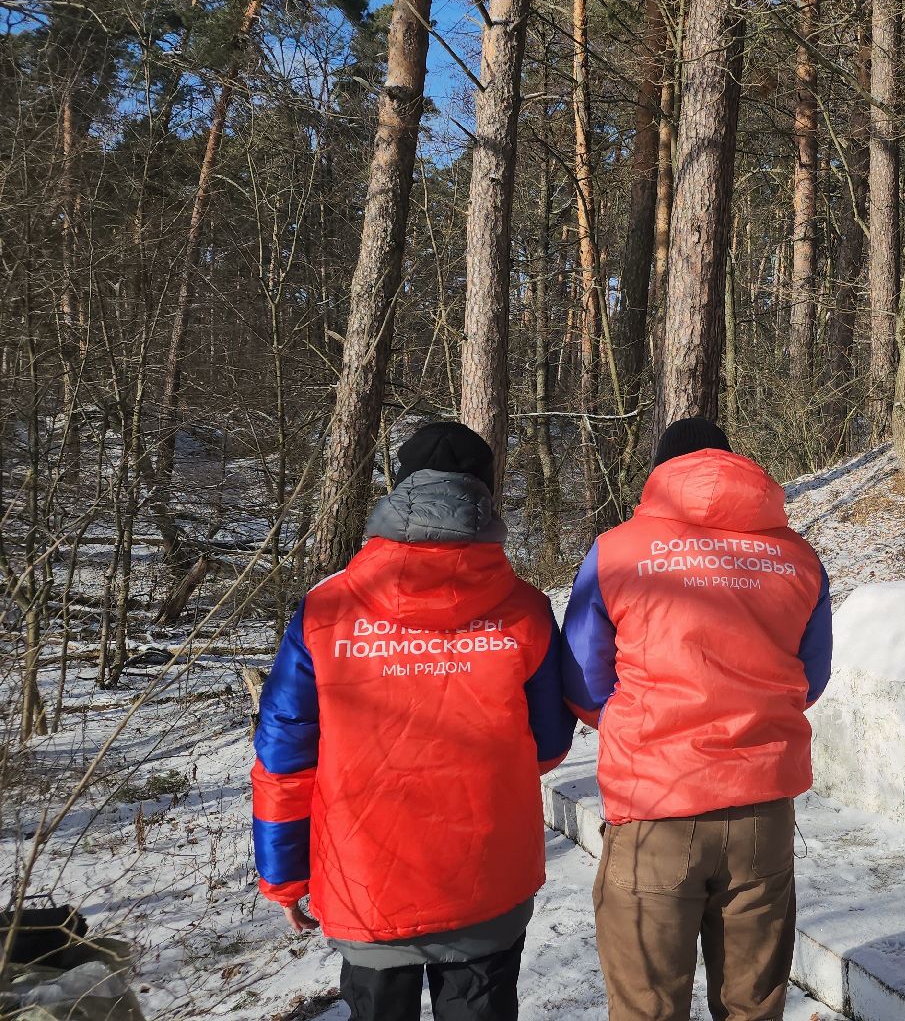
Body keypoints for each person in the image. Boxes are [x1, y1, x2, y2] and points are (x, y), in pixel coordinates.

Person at [252, 421, 575, 1021]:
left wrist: (283, 873)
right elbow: (548, 743)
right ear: (485, 496)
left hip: (366, 878)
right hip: (486, 877)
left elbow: (283, 755)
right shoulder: (525, 609)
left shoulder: (327, 609)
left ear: (396, 490)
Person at [561, 418, 832, 1021]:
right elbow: (810, 678)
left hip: (654, 805)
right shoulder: (797, 555)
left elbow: (581, 681)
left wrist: (639, 722)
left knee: (647, 1006)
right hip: (763, 809)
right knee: (754, 1005)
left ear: (660, 474)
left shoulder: (618, 550)